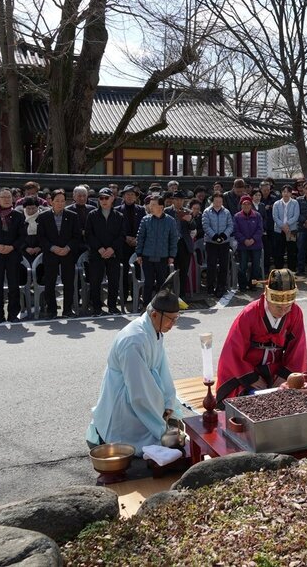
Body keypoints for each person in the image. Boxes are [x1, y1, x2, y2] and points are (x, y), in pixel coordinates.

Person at [85, 272, 184, 451]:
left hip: (145, 391)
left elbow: (162, 369)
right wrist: (160, 427)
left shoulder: (155, 330)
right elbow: (139, 390)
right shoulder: (133, 340)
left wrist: (168, 402)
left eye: (176, 319)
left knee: (169, 433)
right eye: (171, 319)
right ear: (154, 314)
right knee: (150, 443)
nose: (173, 324)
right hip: (124, 398)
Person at [216, 269, 307, 402]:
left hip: (277, 369)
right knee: (241, 400)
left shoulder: (295, 312)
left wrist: (285, 375)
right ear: (267, 297)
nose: (283, 311)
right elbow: (232, 350)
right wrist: (250, 377)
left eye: (288, 306)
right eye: (278, 307)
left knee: (294, 395)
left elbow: (298, 349)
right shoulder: (249, 313)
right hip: (247, 368)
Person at [0, 188, 27, 323]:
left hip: (13, 255)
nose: (7, 200)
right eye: (4, 197)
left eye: (9, 197)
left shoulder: (18, 215)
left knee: (14, 286)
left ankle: (13, 314)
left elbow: (23, 236)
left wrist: (12, 247)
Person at [36, 189, 80, 318]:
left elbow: (77, 236)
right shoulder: (43, 217)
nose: (60, 203)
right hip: (51, 254)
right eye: (57, 201)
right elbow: (41, 237)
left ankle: (67, 310)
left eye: (62, 201)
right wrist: (52, 248)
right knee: (50, 283)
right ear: (51, 202)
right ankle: (51, 310)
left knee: (69, 283)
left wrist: (68, 248)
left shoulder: (72, 216)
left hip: (67, 253)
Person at [86, 188, 125, 316]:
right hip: (97, 254)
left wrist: (112, 248)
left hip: (113, 254)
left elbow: (122, 235)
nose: (104, 200)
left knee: (113, 281)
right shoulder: (92, 215)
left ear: (112, 198)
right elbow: (89, 234)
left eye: (106, 198)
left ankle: (112, 306)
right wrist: (99, 248)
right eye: (101, 198)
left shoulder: (119, 216)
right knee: (95, 281)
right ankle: (97, 308)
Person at [135, 194, 178, 308]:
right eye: (150, 205)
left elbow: (174, 239)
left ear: (161, 207)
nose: (150, 207)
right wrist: (139, 254)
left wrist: (172, 255)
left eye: (153, 205)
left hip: (163, 256)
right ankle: (146, 306)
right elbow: (140, 238)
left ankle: (160, 306)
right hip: (147, 256)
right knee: (148, 282)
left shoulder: (170, 221)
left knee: (161, 282)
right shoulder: (146, 220)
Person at [163, 192, 195, 301]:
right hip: (170, 244)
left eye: (181, 200)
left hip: (183, 244)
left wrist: (189, 220)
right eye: (177, 199)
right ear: (173, 200)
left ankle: (182, 295)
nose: (179, 202)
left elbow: (193, 227)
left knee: (183, 271)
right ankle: (169, 295)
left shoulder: (188, 211)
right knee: (169, 271)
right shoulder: (166, 211)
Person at [202, 192, 234, 298]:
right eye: (216, 201)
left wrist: (224, 235)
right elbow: (205, 226)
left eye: (220, 201)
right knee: (211, 265)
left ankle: (221, 286)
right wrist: (214, 236)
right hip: (211, 242)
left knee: (224, 265)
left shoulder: (227, 212)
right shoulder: (207, 212)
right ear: (212, 201)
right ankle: (210, 286)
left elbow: (230, 225)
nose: (218, 203)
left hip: (224, 242)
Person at [233, 195, 264, 291]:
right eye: (244, 204)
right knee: (242, 266)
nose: (246, 206)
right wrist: (244, 240)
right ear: (241, 205)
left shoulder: (257, 215)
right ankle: (242, 285)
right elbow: (236, 231)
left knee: (256, 266)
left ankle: (253, 284)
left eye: (248, 204)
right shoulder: (237, 216)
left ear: (251, 205)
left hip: (256, 245)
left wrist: (253, 239)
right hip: (243, 245)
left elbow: (260, 229)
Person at [271, 185, 299, 270]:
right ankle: (278, 270)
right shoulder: (276, 203)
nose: (286, 194)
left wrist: (287, 224)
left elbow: (296, 216)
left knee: (292, 251)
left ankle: (291, 270)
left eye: (288, 192)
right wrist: (282, 226)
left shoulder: (295, 203)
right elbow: (275, 217)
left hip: (291, 229)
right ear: (281, 193)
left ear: (291, 193)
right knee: (279, 251)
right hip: (279, 230)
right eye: (284, 192)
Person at [69, 185, 96, 254]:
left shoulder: (93, 209)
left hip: (90, 244)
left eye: (84, 196)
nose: (82, 198)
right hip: (73, 245)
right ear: (74, 197)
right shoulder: (68, 210)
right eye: (79, 196)